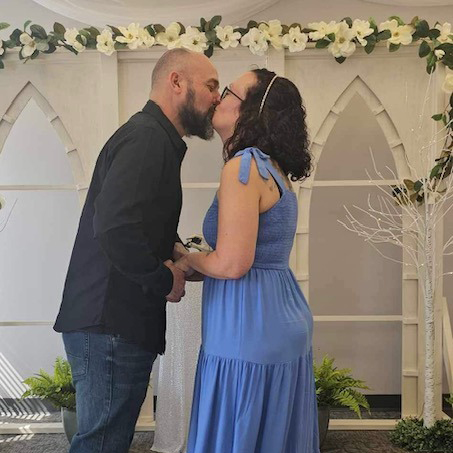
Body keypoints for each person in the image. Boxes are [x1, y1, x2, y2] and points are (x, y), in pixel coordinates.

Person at [53, 48, 220, 453]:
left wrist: (179, 252)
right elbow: (114, 227)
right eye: (212, 86)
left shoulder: (152, 138)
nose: (218, 97)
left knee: (106, 440)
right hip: (109, 323)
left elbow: (138, 221)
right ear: (176, 82)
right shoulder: (147, 138)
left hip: (110, 321)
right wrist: (165, 278)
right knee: (104, 443)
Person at [175, 68, 320, 453]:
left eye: (229, 92)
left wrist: (189, 258)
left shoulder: (242, 167)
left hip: (248, 324)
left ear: (252, 111)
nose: (218, 99)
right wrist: (201, 262)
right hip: (278, 315)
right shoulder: (274, 169)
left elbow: (233, 264)